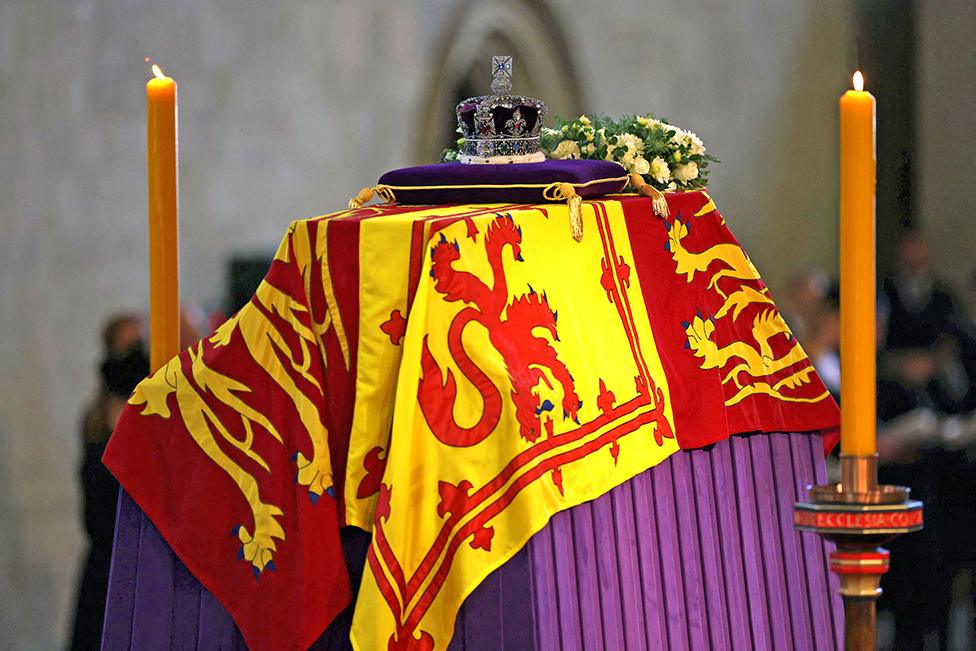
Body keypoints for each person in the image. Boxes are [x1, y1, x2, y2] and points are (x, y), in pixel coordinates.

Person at [68, 315, 149, 651]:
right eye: (128, 347)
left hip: (142, 561)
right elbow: (95, 514)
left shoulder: (149, 411)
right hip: (109, 565)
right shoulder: (96, 421)